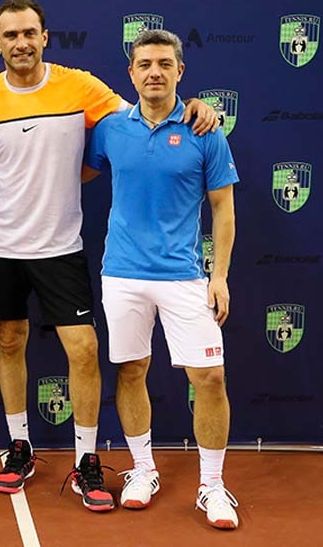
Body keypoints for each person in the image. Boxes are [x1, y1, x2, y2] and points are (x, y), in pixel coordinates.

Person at [0, 0, 219, 512]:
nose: (21, 43)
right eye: (10, 35)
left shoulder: (81, 87)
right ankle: (19, 446)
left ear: (45, 38)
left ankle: (87, 460)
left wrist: (195, 105)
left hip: (61, 246)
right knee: (10, 342)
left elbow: (146, 111)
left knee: (84, 351)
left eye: (30, 33)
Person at [83, 29, 240, 529]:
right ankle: (143, 470)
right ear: (131, 73)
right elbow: (73, 171)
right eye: (145, 64)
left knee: (209, 378)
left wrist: (219, 276)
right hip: (121, 275)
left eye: (164, 64)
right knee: (131, 371)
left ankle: (212, 485)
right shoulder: (110, 129)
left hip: (184, 277)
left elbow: (223, 209)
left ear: (179, 72)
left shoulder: (205, 130)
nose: (155, 72)